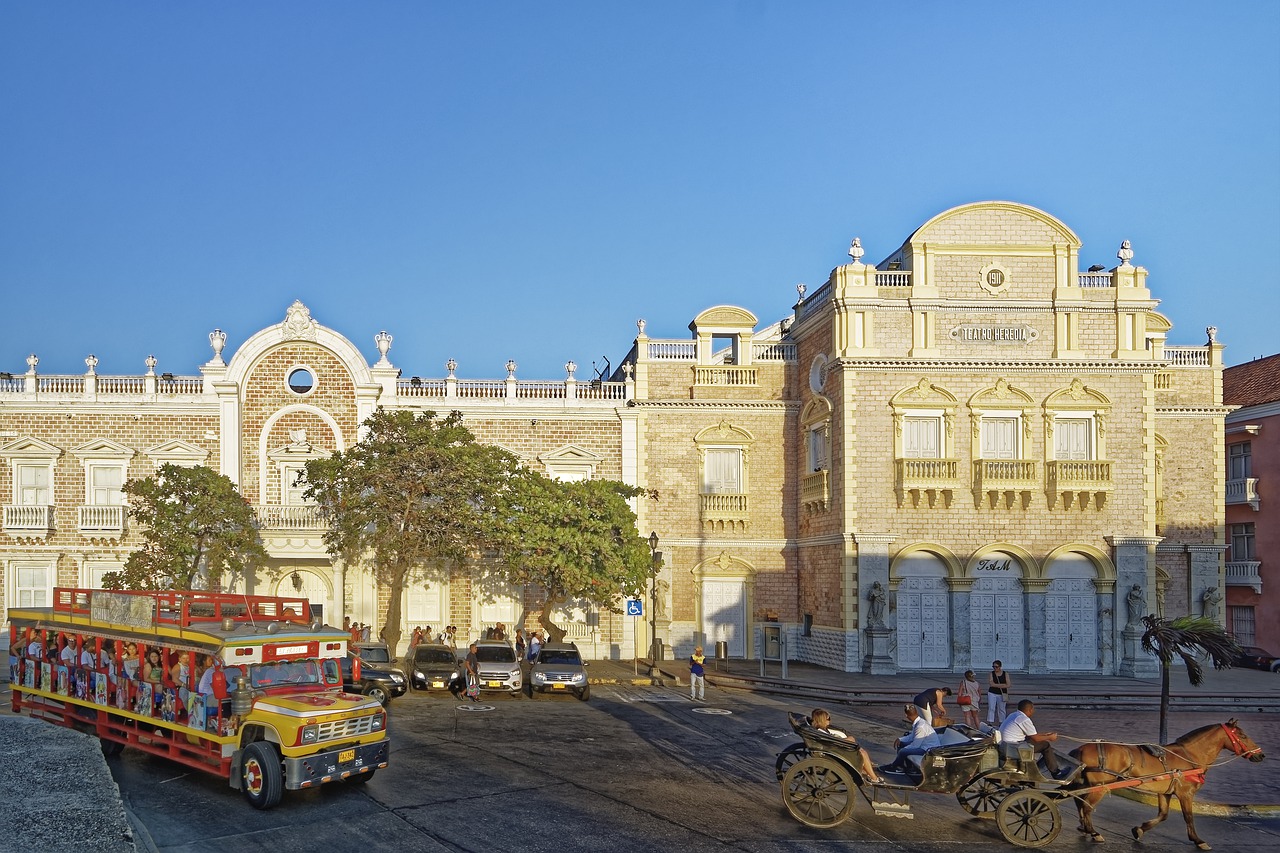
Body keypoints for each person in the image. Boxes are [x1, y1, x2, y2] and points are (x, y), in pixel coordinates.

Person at [810, 708, 881, 784]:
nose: (829, 720)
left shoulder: (821, 730)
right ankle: (874, 778)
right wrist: (848, 739)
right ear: (822, 720)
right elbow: (833, 742)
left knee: (861, 751)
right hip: (835, 751)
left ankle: (867, 770)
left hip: (833, 749)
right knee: (862, 753)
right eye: (828, 719)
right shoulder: (821, 732)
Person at [999, 700, 1065, 777]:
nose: (1033, 711)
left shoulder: (1014, 715)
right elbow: (1036, 738)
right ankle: (1055, 772)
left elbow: (1032, 735)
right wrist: (1050, 738)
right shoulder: (1024, 719)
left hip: (1006, 744)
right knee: (1045, 745)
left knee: (1034, 741)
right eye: (1033, 709)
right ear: (1030, 710)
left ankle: (1037, 766)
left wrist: (1045, 735)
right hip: (1013, 747)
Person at [883, 704, 941, 773]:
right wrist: (900, 739)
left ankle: (894, 766)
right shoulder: (919, 722)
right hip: (923, 745)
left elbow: (915, 745)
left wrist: (904, 749)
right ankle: (906, 767)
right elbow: (912, 736)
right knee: (901, 744)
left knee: (903, 751)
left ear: (906, 715)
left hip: (928, 749)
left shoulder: (920, 726)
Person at [987, 660, 1010, 724]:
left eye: (996, 667)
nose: (995, 668)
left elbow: (1008, 684)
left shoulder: (1005, 674)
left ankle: (1002, 722)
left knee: (1002, 709)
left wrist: (996, 685)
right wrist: (1002, 685)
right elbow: (991, 684)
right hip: (992, 692)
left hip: (1002, 693)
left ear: (1000, 667)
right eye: (993, 667)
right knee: (991, 707)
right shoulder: (992, 673)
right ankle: (990, 721)